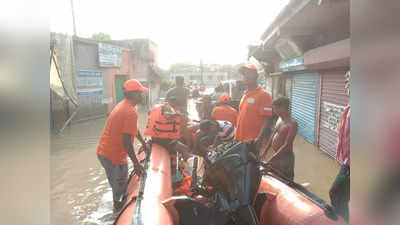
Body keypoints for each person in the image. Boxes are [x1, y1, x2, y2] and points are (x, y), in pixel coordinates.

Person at [96, 79, 148, 213]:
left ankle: (117, 205)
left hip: (105, 152)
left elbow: (133, 129)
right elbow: (126, 142)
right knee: (119, 188)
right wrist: (136, 163)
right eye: (140, 93)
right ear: (134, 94)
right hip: (112, 155)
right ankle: (117, 212)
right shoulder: (130, 111)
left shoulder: (124, 106)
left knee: (118, 183)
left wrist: (143, 143)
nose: (142, 96)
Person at [234, 64, 273, 152]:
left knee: (251, 165)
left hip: (252, 142)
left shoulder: (263, 95)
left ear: (256, 76)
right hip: (239, 139)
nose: (246, 76)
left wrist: (259, 139)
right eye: (244, 74)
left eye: (248, 73)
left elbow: (267, 119)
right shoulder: (245, 94)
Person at [329, 71, 350, 223]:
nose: (347, 85)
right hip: (348, 162)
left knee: (335, 192)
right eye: (346, 81)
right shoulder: (350, 107)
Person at [144, 94, 193, 160]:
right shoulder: (167, 108)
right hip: (165, 140)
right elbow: (167, 115)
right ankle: (188, 167)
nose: (175, 105)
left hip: (155, 138)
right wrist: (177, 114)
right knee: (185, 148)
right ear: (172, 102)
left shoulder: (159, 108)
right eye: (175, 103)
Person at [261, 97, 298, 181]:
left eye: (275, 108)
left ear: (283, 108)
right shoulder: (279, 119)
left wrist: (272, 158)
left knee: (287, 181)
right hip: (277, 155)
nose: (274, 111)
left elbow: (287, 144)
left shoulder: (292, 124)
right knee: (276, 178)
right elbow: (273, 136)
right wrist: (265, 152)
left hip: (285, 158)